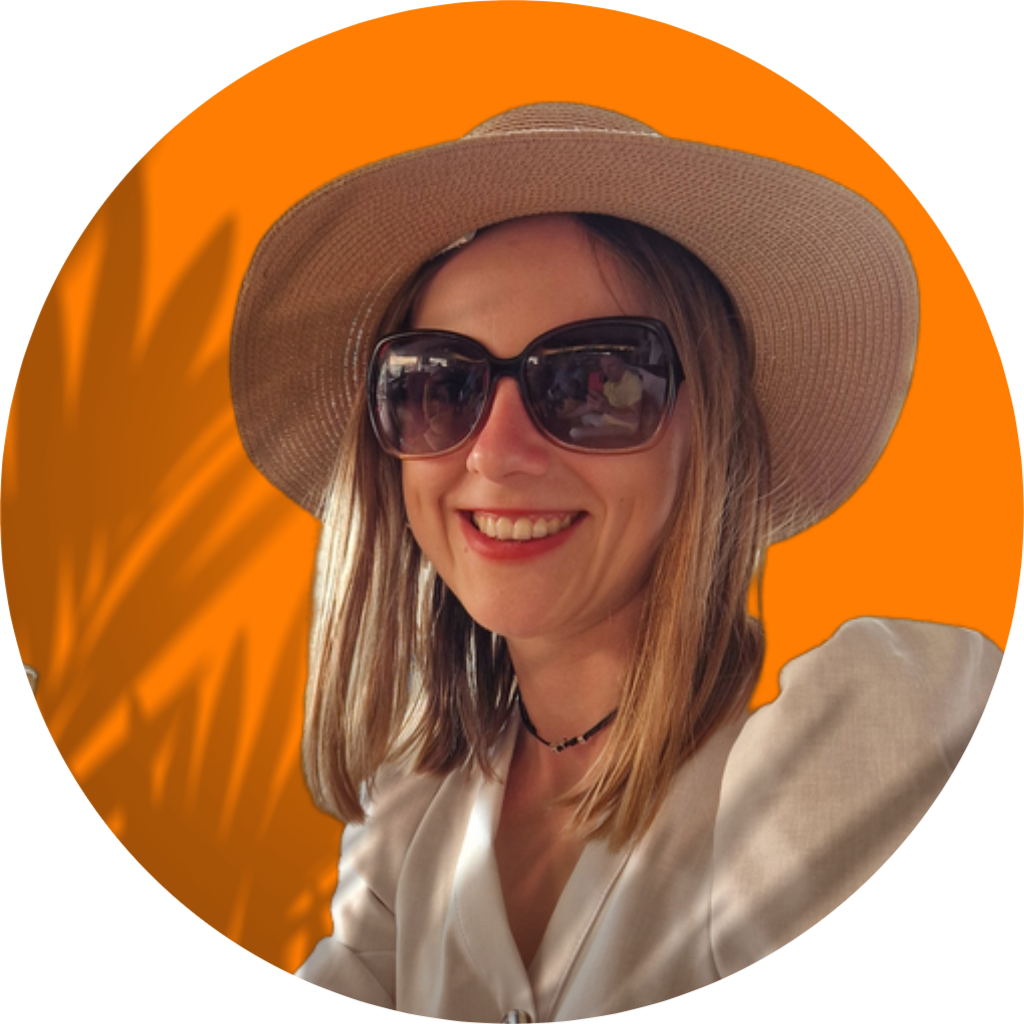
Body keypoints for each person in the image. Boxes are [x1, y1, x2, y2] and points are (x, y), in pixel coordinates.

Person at [230, 103, 1001, 1019]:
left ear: (712, 431)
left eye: (597, 381)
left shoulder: (867, 744)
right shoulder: (406, 817)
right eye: (440, 383)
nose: (496, 454)